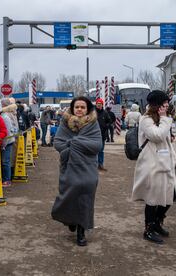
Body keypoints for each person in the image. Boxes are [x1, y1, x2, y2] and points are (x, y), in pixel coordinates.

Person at [51, 96, 102, 246]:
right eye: (77, 107)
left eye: (83, 107)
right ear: (72, 108)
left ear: (88, 109)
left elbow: (97, 145)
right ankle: (70, 219)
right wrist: (71, 147)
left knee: (86, 197)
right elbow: (58, 142)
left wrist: (75, 143)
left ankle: (81, 231)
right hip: (69, 166)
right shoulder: (65, 123)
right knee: (70, 195)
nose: (79, 110)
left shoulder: (93, 124)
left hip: (88, 167)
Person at [132, 90, 176, 244]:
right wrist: (166, 120)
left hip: (165, 161)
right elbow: (157, 135)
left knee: (169, 195)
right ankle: (149, 229)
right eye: (164, 103)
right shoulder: (146, 119)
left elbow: (167, 133)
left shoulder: (162, 117)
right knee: (152, 198)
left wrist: (169, 126)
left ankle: (158, 222)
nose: (167, 105)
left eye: (167, 103)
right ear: (157, 105)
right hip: (151, 163)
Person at [0, 98, 19, 187]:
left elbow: (7, 129)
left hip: (8, 139)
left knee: (6, 161)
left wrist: (4, 143)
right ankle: (9, 177)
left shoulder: (5, 114)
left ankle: (7, 179)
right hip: (13, 137)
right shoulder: (13, 112)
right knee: (10, 159)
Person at [95, 98, 110, 171]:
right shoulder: (93, 112)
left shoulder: (105, 113)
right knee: (93, 150)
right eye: (98, 104)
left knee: (101, 150)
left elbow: (109, 121)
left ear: (102, 105)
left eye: (100, 104)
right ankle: (93, 165)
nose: (99, 105)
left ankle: (100, 164)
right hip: (93, 135)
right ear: (96, 104)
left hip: (102, 135)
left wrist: (106, 126)